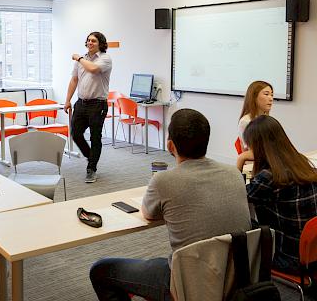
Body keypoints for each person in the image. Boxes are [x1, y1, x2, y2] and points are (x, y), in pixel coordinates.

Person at [90, 109, 251, 301]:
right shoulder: (234, 173)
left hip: (189, 283)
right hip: (236, 277)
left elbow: (148, 214)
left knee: (100, 270)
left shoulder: (164, 181)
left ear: (170, 145)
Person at [243, 115, 317, 275]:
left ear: (258, 147)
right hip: (313, 253)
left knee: (239, 222)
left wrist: (241, 159)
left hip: (289, 258)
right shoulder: (303, 164)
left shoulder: (268, 177)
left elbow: (236, 199)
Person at [64, 32, 112, 183]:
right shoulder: (81, 60)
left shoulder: (105, 58)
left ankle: (91, 169)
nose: (90, 43)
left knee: (95, 137)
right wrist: (67, 100)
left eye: (94, 41)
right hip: (81, 103)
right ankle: (92, 157)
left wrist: (79, 58)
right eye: (88, 40)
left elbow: (93, 69)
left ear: (100, 44)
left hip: (98, 104)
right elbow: (74, 80)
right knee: (76, 134)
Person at [236, 81, 273, 167]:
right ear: (254, 97)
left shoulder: (267, 119)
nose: (270, 98)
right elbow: (251, 152)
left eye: (272, 95)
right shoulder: (246, 121)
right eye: (266, 94)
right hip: (255, 165)